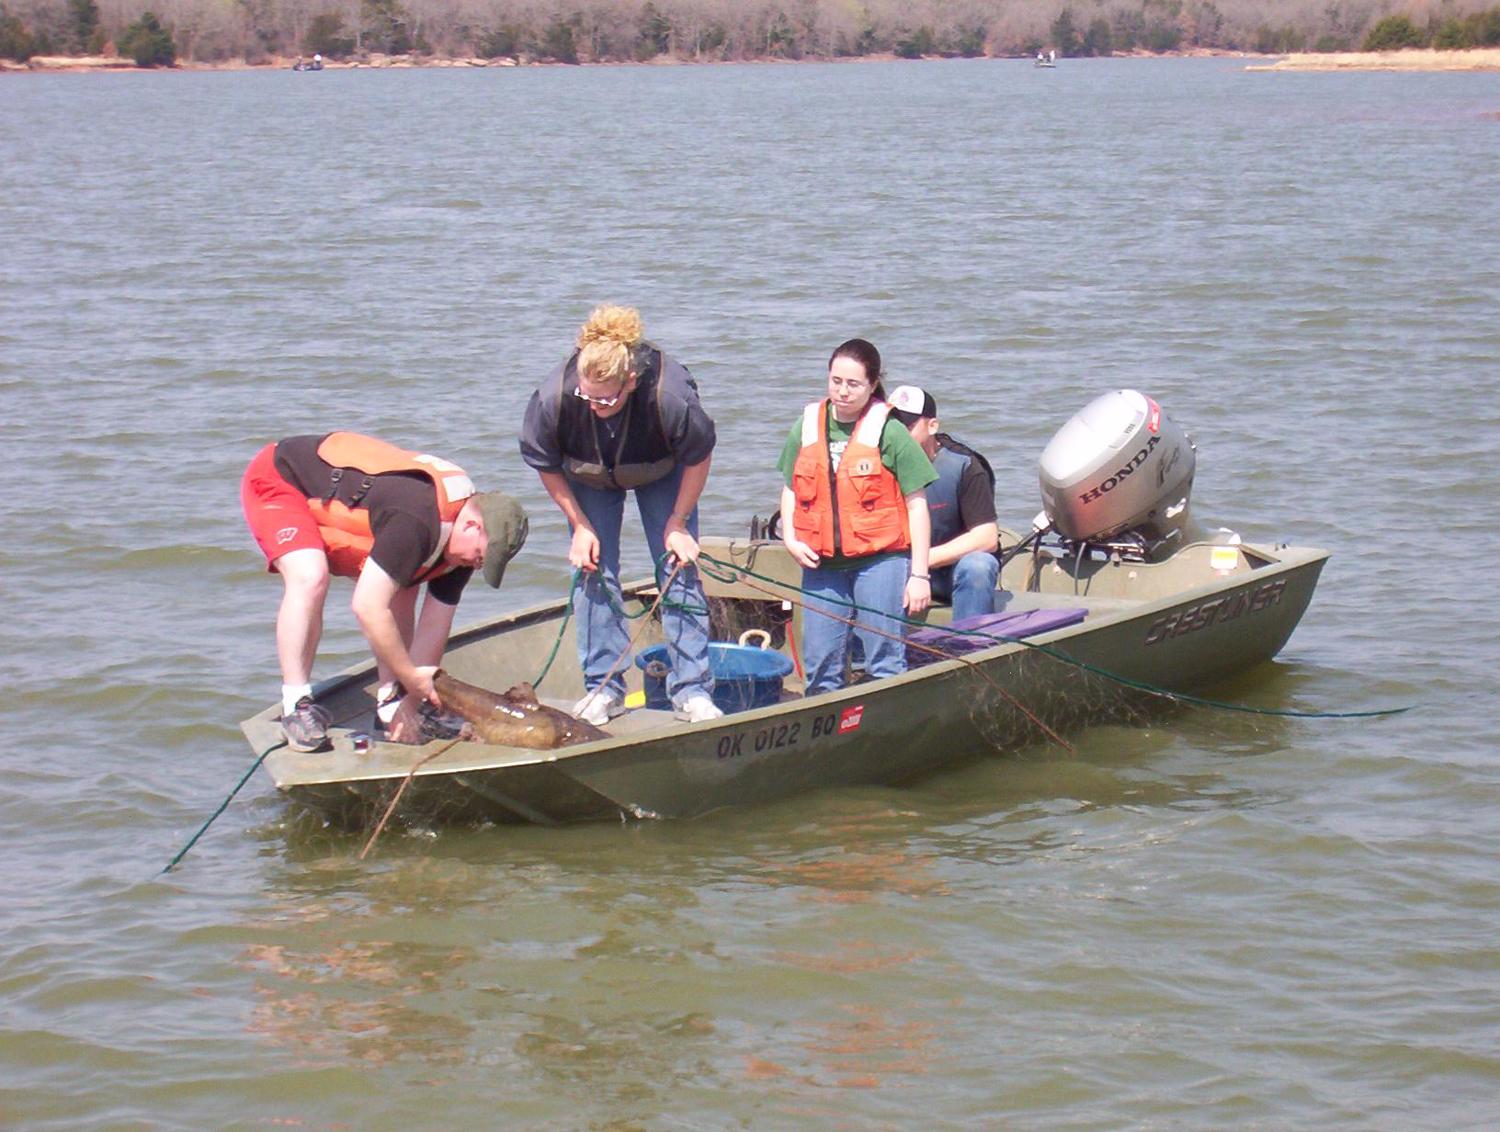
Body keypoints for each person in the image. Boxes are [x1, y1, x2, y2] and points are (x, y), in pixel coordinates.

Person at [241, 432, 528, 751]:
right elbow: (366, 606)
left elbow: (434, 625)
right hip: (282, 480)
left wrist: (408, 699)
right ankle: (297, 706)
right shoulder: (416, 520)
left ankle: (388, 700)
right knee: (311, 575)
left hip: (369, 511)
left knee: (404, 587)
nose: (478, 565)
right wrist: (410, 673)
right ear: (472, 526)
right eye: (482, 556)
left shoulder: (461, 550)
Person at [519, 305, 722, 725]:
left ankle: (692, 690)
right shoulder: (554, 397)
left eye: (608, 397)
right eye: (589, 397)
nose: (597, 405)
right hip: (588, 475)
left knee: (676, 567)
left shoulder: (669, 396)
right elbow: (545, 463)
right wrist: (579, 526)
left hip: (661, 470)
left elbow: (699, 457)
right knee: (592, 568)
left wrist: (678, 524)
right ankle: (603, 687)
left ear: (631, 381)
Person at [778, 339, 936, 695]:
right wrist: (790, 537)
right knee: (820, 665)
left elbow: (917, 505)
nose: (843, 392)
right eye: (836, 381)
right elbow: (790, 488)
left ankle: (886, 730)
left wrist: (919, 575)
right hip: (822, 565)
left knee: (884, 658)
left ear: (873, 383)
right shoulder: (806, 426)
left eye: (853, 384)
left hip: (880, 560)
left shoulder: (890, 431)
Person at [887, 385, 1001, 622]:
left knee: (979, 566)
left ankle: (970, 648)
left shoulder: (966, 466)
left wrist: (922, 562)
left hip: (952, 571)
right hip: (899, 568)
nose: (897, 438)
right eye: (891, 428)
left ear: (932, 426)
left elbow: (986, 537)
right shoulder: (877, 462)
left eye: (906, 428)